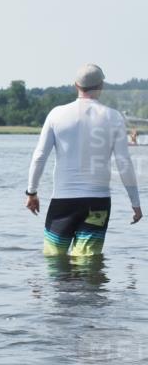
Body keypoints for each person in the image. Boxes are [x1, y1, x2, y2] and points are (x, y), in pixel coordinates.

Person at [26, 63, 142, 256]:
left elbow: (39, 157)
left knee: (54, 260)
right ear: (101, 85)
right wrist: (135, 203)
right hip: (97, 202)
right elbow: (124, 163)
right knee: (88, 261)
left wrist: (31, 192)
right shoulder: (114, 117)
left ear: (76, 85)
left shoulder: (56, 114)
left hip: (63, 202)